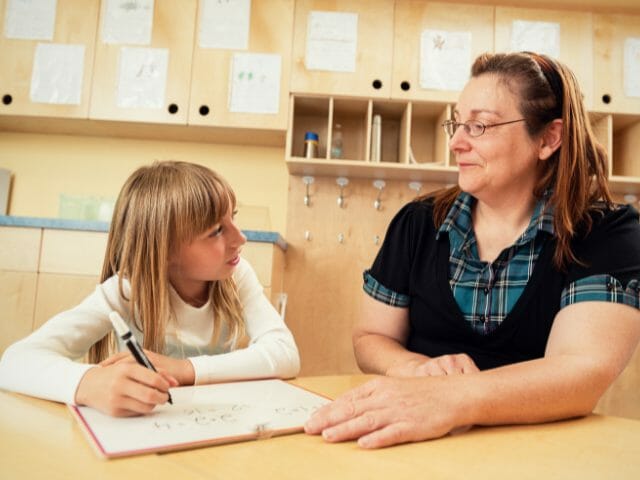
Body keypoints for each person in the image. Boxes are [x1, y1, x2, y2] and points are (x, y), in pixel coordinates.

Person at [305, 52, 640, 448]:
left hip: (537, 454)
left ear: (549, 138)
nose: (455, 142)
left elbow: (580, 373)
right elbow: (370, 337)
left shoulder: (606, 232)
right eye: (457, 123)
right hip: (417, 444)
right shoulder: (417, 222)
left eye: (479, 125)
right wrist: (417, 370)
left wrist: (449, 399)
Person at [0, 161, 300, 416]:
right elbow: (14, 362)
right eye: (217, 231)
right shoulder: (126, 291)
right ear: (165, 250)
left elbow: (285, 353)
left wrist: (184, 369)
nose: (241, 238)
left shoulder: (236, 277)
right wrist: (89, 383)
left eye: (232, 218)